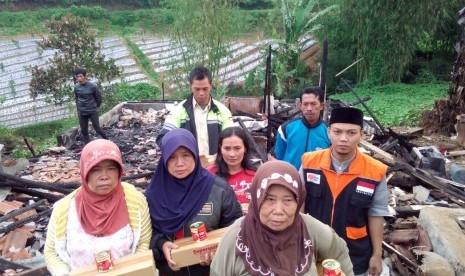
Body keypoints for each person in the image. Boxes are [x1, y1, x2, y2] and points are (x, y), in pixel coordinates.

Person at [210, 160, 353, 276]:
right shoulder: (235, 237)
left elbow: (339, 251)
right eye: (270, 199)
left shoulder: (309, 228)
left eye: (288, 200)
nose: (278, 210)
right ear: (256, 198)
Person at [301, 107, 389, 276]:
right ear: (328, 132)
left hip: (355, 253)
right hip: (315, 248)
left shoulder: (375, 170)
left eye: (351, 133)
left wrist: (377, 255)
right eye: (337, 132)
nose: (343, 139)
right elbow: (300, 205)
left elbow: (377, 213)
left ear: (361, 135)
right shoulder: (309, 162)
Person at [44, 139, 152, 276]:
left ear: (119, 171)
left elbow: (143, 243)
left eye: (111, 168)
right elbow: (51, 252)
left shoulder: (136, 201)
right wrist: (63, 273)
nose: (104, 177)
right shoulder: (64, 208)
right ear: (85, 172)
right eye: (95, 169)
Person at [146, 128, 242, 275]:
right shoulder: (154, 193)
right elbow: (146, 234)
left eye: (186, 155)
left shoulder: (218, 189)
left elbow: (236, 229)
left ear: (195, 156)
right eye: (172, 157)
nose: (179, 163)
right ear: (164, 159)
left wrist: (217, 249)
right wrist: (161, 244)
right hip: (170, 270)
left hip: (211, 270)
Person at [156, 66, 233, 157]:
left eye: (205, 89)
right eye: (197, 89)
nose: (201, 93)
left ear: (211, 85)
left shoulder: (222, 111)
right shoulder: (179, 111)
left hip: (216, 168)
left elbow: (232, 140)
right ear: (190, 86)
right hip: (188, 168)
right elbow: (164, 139)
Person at [274, 86, 331, 169]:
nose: (309, 108)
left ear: (322, 106)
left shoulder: (329, 132)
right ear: (300, 105)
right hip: (291, 178)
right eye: (305, 104)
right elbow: (279, 157)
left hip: (318, 180)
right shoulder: (286, 129)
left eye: (313, 104)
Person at [207, 126, 257, 214]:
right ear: (220, 148)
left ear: (245, 148)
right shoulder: (209, 174)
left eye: (237, 148)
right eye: (227, 148)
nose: (232, 154)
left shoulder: (256, 175)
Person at [73, 68, 108, 144]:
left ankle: (108, 141)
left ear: (85, 76)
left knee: (97, 129)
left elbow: (99, 99)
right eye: (77, 77)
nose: (79, 78)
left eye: (81, 76)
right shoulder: (76, 87)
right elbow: (76, 98)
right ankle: (87, 147)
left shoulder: (93, 86)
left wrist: (94, 107)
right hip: (82, 112)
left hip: (92, 111)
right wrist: (79, 108)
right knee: (84, 131)